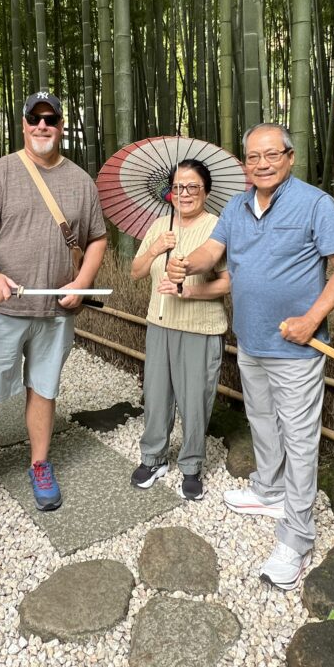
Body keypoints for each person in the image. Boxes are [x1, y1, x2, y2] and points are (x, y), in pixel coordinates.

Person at [167, 123, 334, 590]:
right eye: (253, 157)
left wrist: (312, 319)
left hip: (296, 348)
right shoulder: (235, 205)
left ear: (290, 157)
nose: (262, 164)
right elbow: (214, 250)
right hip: (250, 342)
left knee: (299, 436)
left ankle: (297, 536)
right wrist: (187, 261)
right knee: (263, 422)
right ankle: (270, 491)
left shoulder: (315, 203)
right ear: (244, 163)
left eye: (272, 155)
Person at [0, 92, 107, 518]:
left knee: (44, 389)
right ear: (23, 123)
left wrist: (83, 282)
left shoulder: (81, 181)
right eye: (35, 118)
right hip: (3, 311)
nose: (42, 126)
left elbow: (97, 239)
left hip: (56, 311)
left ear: (61, 125)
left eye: (50, 119)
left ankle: (39, 463)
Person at [130, 160, 230, 502]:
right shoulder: (160, 226)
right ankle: (153, 458)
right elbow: (136, 271)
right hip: (159, 324)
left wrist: (187, 288)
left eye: (192, 187)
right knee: (156, 397)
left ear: (206, 191)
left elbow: (228, 283)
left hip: (201, 327)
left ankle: (191, 465)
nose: (184, 193)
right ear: (169, 192)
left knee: (195, 400)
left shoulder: (218, 227)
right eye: (177, 187)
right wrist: (157, 248)